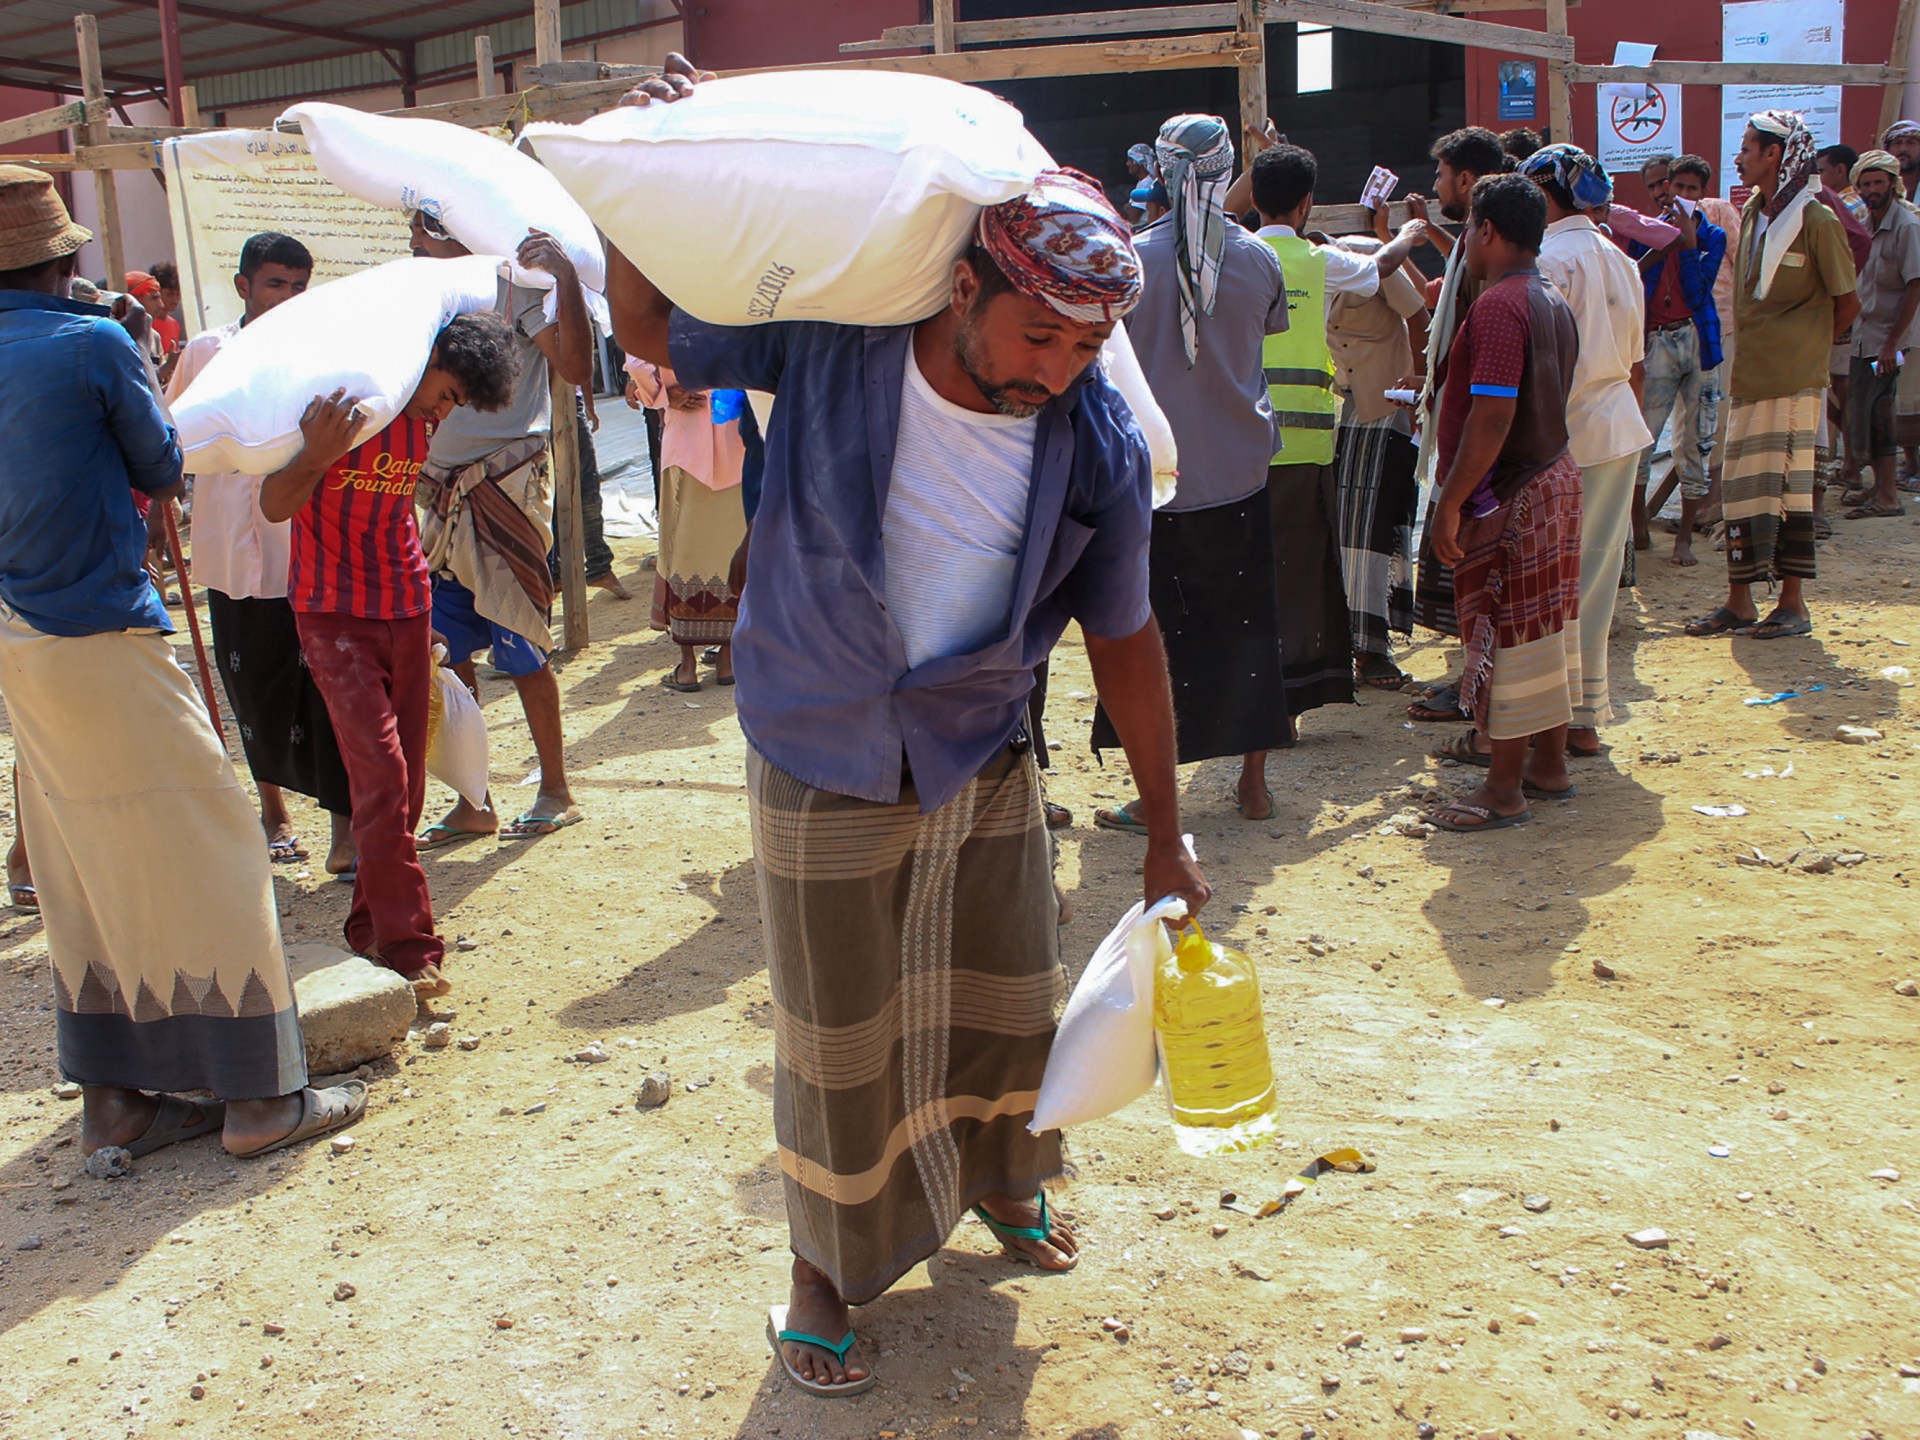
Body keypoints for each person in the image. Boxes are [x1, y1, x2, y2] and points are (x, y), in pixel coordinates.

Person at [607, 151, 1212, 1396]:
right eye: (1038, 334)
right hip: (819, 734)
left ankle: (1004, 1184)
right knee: (840, 1030)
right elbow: (650, 328)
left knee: (1003, 994)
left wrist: (1166, 829)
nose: (1055, 369)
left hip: (976, 742)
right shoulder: (838, 348)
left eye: (1085, 348)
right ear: (963, 288)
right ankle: (822, 1271)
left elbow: (1128, 639)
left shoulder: (1089, 434)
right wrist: (640, 186)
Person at [0, 163, 366, 1160]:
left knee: (81, 863)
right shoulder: (93, 343)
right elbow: (162, 466)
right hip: (100, 630)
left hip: (17, 644)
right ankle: (259, 1101)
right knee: (217, 839)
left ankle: (116, 1101)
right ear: (68, 258)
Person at [258, 314, 518, 997]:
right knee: (378, 773)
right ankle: (410, 946)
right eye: (448, 390)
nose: (445, 407)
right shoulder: (344, 411)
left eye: (459, 401)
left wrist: (426, 618)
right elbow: (275, 502)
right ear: (425, 358)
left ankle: (368, 927)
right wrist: (315, 454)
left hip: (405, 607)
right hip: (331, 613)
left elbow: (395, 510)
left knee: (401, 789)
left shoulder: (420, 420)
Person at [1085, 114, 1295, 826]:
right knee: (1248, 628)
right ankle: (1253, 784)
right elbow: (1261, 337)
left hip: (1158, 480)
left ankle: (1156, 797)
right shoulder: (1259, 259)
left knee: (1160, 636)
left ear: (1167, 175)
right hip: (1241, 469)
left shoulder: (1133, 262)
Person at [164, 232, 357, 877]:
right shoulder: (206, 352)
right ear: (244, 285)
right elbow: (172, 432)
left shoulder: (324, 356)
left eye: (300, 287)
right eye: (276, 284)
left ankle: (344, 829)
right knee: (250, 688)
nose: (289, 298)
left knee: (324, 691)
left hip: (300, 547)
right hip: (226, 552)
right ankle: (273, 814)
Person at [409, 215, 592, 845]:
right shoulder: (426, 298)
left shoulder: (516, 292)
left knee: (521, 643)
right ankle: (475, 799)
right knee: (449, 649)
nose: (415, 248)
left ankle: (556, 788)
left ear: (449, 227)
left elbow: (575, 365)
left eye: (422, 236)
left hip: (505, 488)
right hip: (439, 498)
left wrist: (565, 277)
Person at [1416, 173, 1582, 832]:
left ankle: (1504, 786)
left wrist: (1450, 501)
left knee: (1508, 636)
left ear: (1485, 231)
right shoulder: (1551, 297)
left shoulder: (1499, 305)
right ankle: (1549, 766)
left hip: (1515, 488)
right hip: (1554, 475)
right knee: (1544, 631)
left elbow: (1491, 415)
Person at [1239, 142, 1427, 724]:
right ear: (1307, 205)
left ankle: (1247, 685)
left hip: (1240, 446)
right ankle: (1295, 693)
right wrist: (1405, 236)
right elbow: (1382, 270)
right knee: (1301, 570)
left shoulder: (1232, 255)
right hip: (1311, 448)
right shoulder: (1319, 263)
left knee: (1249, 569)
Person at [1686, 111, 1859, 641]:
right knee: (1742, 493)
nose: (1738, 157)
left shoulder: (1818, 221)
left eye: (1747, 147)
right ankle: (1739, 602)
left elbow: (1847, 303)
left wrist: (1804, 346)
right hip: (1751, 378)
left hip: (1792, 384)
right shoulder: (1756, 213)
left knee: (1788, 493)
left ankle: (1793, 604)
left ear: (1776, 155)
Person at [1519, 145, 1649, 761]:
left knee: (1552, 579)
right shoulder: (1621, 261)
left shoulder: (1548, 260)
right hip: (1618, 427)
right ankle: (1584, 713)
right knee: (1594, 579)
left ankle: (1561, 715)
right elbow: (1636, 362)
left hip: (1567, 430)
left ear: (1544, 196)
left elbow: (1544, 364)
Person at [1402, 127, 1508, 723]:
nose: (1437, 184)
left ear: (1466, 181)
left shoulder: (1493, 262)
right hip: (1459, 416)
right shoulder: (1478, 242)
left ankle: (1477, 687)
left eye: (1443, 176)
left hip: (1474, 424)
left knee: (1472, 554)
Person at [1322, 229, 1431, 687]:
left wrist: (1420, 375)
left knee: (1376, 528)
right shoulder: (1305, 267)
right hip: (1338, 412)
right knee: (1342, 531)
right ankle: (1344, 643)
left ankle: (1373, 648)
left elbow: (1418, 313)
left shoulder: (1364, 254)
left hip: (1385, 409)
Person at [626, 358, 748, 688]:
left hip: (686, 442)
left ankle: (688, 665)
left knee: (683, 551)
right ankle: (726, 660)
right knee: (731, 549)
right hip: (735, 441)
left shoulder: (666, 310)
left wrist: (661, 394)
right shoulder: (725, 309)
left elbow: (637, 361)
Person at [1633, 155, 1728, 567]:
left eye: (1693, 190)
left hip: (1698, 341)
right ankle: (1638, 528)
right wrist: (1667, 240)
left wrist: (1688, 243)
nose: (1684, 196)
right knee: (1642, 438)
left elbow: (1697, 291)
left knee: (1696, 443)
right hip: (1657, 342)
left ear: (1702, 194)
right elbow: (1635, 276)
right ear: (1667, 188)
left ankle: (1684, 539)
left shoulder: (1713, 236)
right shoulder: (1645, 232)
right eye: (1678, 188)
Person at [1840, 149, 1920, 520]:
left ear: (1892, 184)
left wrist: (1891, 343)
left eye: (1879, 182)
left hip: (1890, 340)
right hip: (1864, 335)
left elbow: (1914, 286)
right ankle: (1878, 485)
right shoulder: (1866, 226)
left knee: (1881, 411)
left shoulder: (1906, 226)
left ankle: (1888, 494)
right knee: (1862, 411)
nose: (1873, 189)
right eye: (1866, 183)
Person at [1818, 145, 1867, 224]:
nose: (1817, 177)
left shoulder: (1843, 208)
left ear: (1840, 170)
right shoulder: (1857, 198)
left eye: (1820, 171)